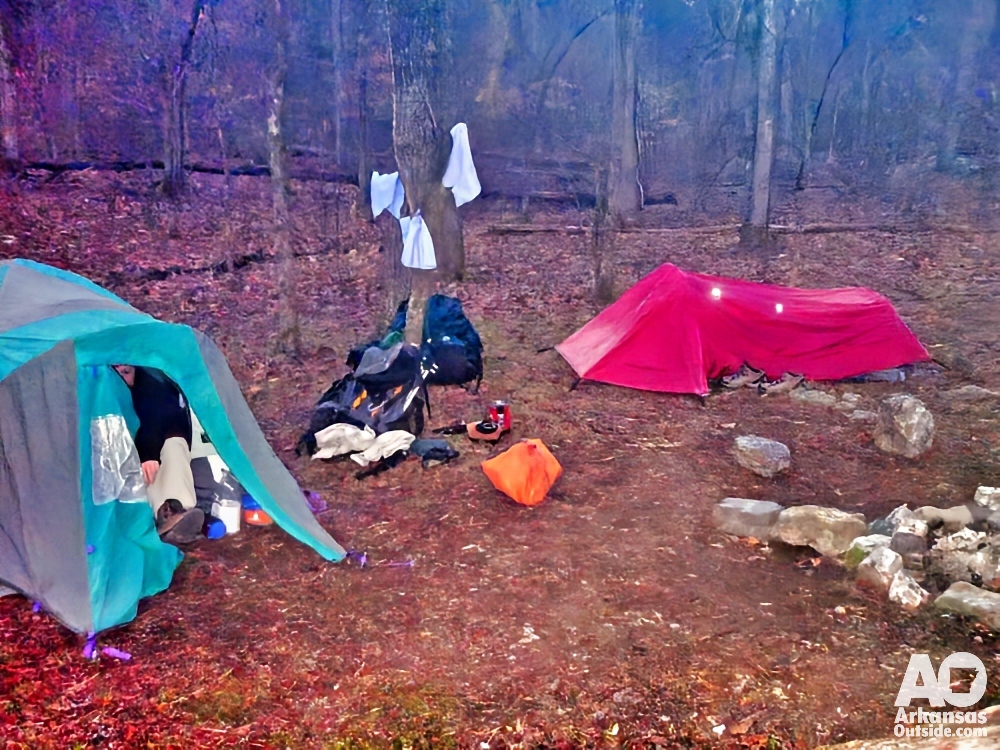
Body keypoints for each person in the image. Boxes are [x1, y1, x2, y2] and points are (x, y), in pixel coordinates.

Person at [112, 364, 204, 544]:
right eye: (115, 373)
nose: (120, 379)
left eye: (125, 372)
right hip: (121, 453)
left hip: (157, 444)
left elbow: (158, 414)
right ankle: (167, 516)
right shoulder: (98, 392)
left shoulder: (150, 386)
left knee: (173, 446)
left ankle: (175, 513)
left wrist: (149, 452)